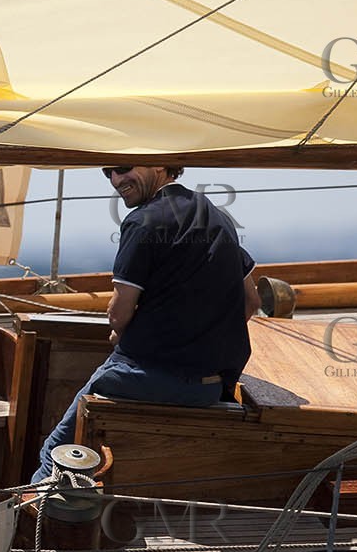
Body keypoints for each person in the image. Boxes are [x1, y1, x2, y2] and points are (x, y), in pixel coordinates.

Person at [33, 164, 258, 483]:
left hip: (149, 380)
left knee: (52, 454)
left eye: (123, 169)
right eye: (107, 172)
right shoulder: (217, 217)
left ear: (160, 164)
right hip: (209, 388)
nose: (115, 180)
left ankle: (26, 522)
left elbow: (118, 313)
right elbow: (252, 301)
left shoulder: (142, 221)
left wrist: (118, 332)